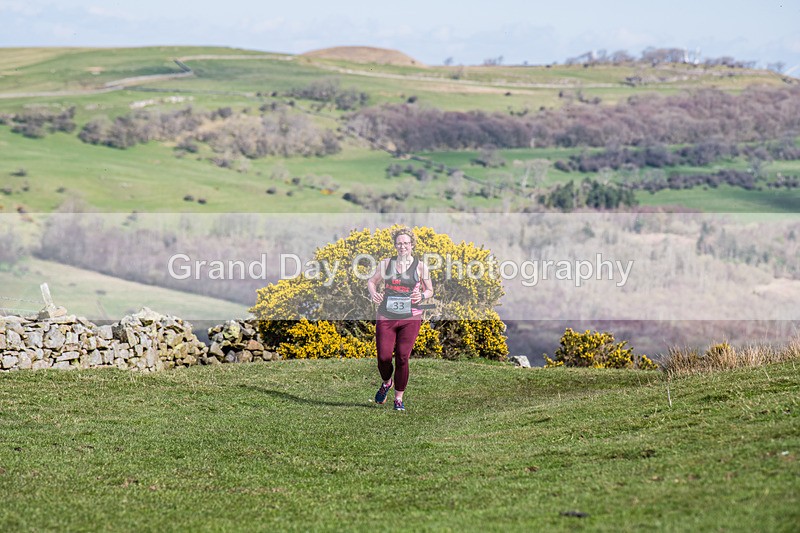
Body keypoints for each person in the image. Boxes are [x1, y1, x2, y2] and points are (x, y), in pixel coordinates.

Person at [367, 228, 433, 411]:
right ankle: (387, 382)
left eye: (406, 243)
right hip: (386, 316)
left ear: (412, 245)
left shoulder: (421, 266)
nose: (402, 246)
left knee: (403, 357)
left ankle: (398, 399)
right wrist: (374, 294)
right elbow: (372, 281)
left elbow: (430, 290)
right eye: (399, 243)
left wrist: (422, 296)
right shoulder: (387, 263)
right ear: (395, 245)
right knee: (383, 357)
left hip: (410, 317)